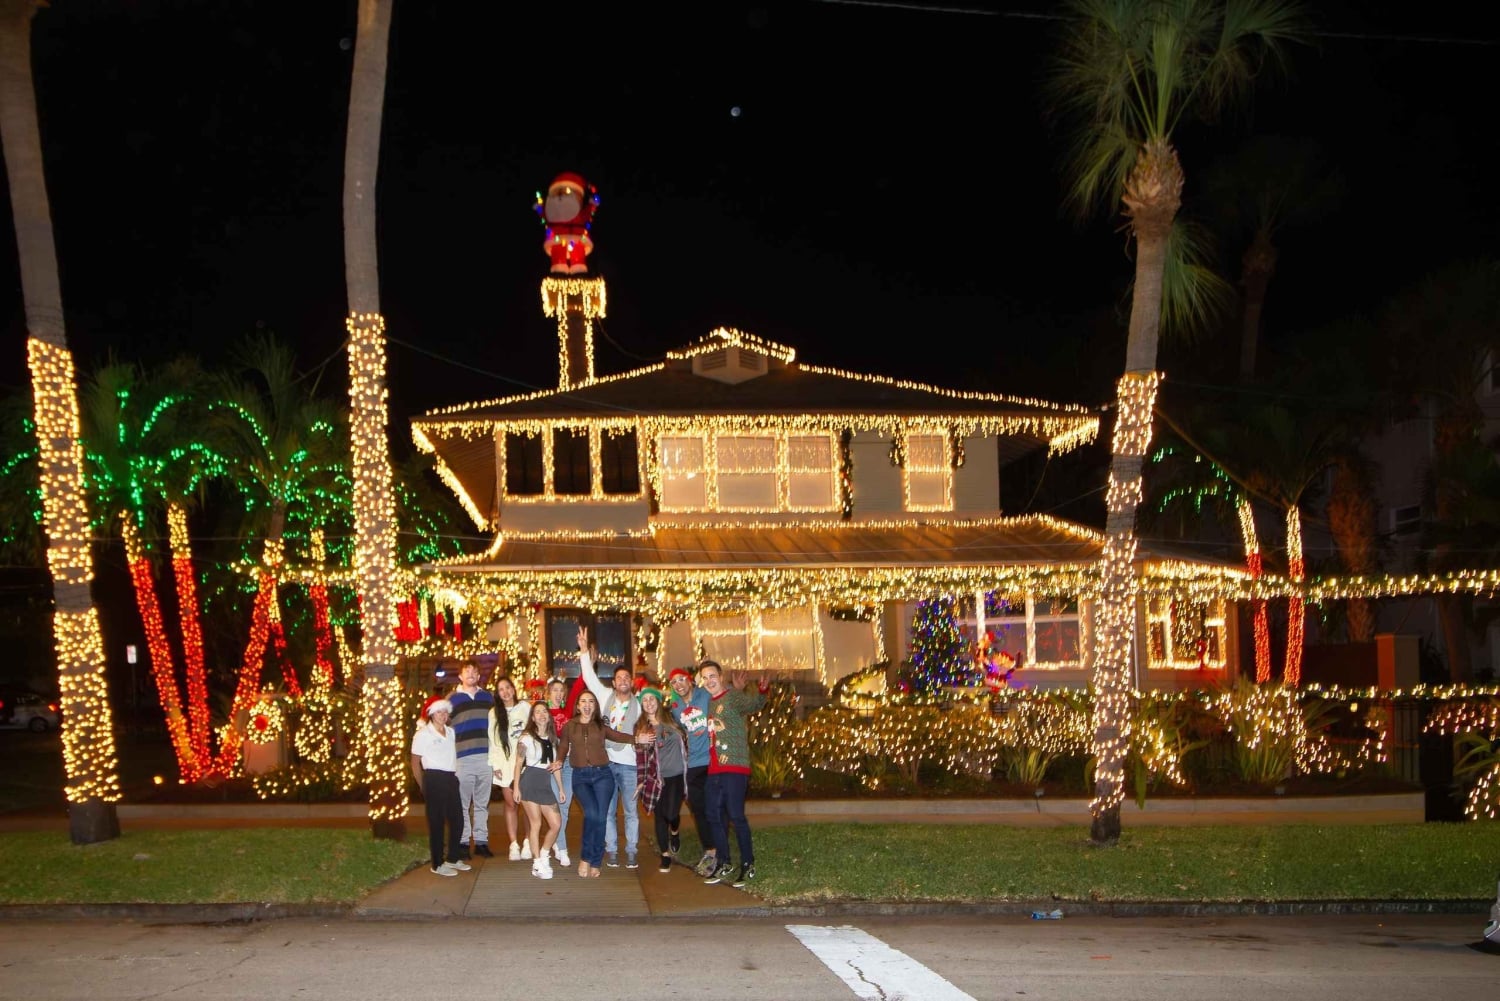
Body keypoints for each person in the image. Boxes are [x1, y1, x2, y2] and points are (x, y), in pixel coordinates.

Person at [556, 689, 652, 877]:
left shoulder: (600, 725)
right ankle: (586, 856)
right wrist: (559, 760)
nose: (587, 705)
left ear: (595, 706)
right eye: (583, 701)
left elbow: (617, 735)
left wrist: (636, 739)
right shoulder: (570, 726)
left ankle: (595, 860)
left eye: (591, 701)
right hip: (580, 777)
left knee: (600, 818)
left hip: (603, 776)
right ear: (577, 705)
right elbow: (563, 745)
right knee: (592, 814)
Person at [576, 625, 643, 868]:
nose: (623, 681)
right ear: (613, 683)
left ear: (631, 683)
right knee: (607, 811)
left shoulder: (641, 707)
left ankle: (632, 850)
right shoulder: (604, 698)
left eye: (627, 678)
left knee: (631, 811)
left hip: (630, 766)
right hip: (605, 764)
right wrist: (584, 650)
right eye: (619, 678)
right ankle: (612, 850)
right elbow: (589, 678)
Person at [699, 661, 767, 888]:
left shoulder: (732, 697)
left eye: (712, 676)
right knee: (713, 815)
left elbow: (754, 704)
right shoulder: (709, 702)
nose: (709, 681)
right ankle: (724, 861)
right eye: (705, 677)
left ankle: (748, 863)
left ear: (721, 676)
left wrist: (762, 690)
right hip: (715, 768)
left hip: (735, 767)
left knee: (736, 816)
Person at [409, 697, 472, 877]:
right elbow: (415, 763)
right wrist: (423, 785)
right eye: (439, 712)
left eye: (445, 712)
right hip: (434, 778)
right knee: (436, 823)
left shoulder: (451, 732)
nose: (443, 715)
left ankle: (453, 857)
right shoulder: (422, 734)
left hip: (451, 778)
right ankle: (437, 864)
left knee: (458, 820)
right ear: (431, 714)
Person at [665, 665, 715, 875]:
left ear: (690, 680)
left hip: (714, 759)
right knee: (696, 806)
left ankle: (719, 848)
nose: (679, 685)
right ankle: (711, 851)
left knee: (715, 805)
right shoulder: (675, 707)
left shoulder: (706, 695)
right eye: (674, 682)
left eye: (681, 680)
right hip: (694, 762)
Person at [635, 686, 688, 873]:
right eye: (645, 700)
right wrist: (641, 781)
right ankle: (665, 855)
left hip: (676, 775)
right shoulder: (642, 729)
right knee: (659, 816)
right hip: (656, 778)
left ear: (658, 701)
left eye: (652, 699)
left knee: (671, 814)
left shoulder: (673, 719)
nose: (649, 703)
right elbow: (640, 758)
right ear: (642, 704)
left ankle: (674, 831)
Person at [445, 662, 495, 859]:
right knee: (463, 803)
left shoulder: (488, 697)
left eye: (475, 671)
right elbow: (443, 724)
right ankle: (464, 843)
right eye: (467, 671)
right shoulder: (453, 699)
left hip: (486, 756)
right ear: (460, 676)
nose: (472, 674)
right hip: (462, 758)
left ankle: (481, 842)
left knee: (482, 803)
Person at [515, 701, 568, 879]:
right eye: (537, 712)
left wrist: (560, 788)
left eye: (544, 711)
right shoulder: (526, 738)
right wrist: (516, 787)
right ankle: (537, 863)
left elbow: (556, 767)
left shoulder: (554, 740)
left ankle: (544, 854)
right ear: (532, 717)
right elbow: (518, 764)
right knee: (535, 823)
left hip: (545, 784)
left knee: (556, 824)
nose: (542, 714)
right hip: (529, 782)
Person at [486, 675, 531, 860]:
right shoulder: (494, 713)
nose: (505, 692)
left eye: (507, 687)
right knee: (511, 803)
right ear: (498, 694)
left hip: (527, 764)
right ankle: (514, 844)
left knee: (528, 805)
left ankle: (529, 841)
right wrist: (494, 764)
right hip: (505, 764)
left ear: (513, 688)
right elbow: (492, 741)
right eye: (501, 689)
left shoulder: (526, 708)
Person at [545, 675, 586, 868]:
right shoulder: (542, 711)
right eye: (555, 690)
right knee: (550, 808)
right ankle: (558, 847)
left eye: (562, 690)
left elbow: (579, 687)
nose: (559, 693)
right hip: (548, 765)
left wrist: (586, 658)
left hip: (567, 763)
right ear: (548, 692)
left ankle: (559, 846)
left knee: (564, 805)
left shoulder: (568, 711)